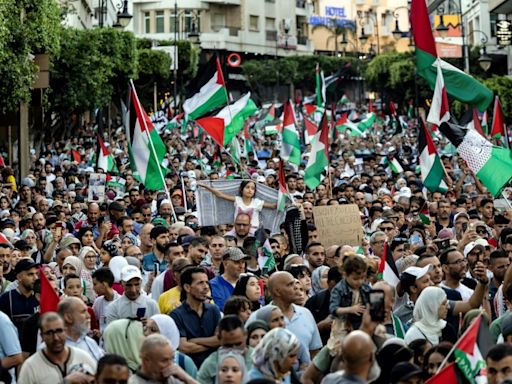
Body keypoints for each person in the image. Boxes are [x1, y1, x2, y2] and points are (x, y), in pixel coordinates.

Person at [18, 312, 97, 384]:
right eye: (49, 333)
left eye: (59, 331)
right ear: (41, 336)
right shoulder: (30, 367)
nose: (56, 338)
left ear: (65, 331)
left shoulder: (83, 357)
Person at [170, 266, 221, 367]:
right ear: (187, 287)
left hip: (214, 367)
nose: (206, 287)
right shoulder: (176, 315)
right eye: (200, 283)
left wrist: (195, 341)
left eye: (206, 282)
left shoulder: (214, 310)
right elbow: (184, 347)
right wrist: (212, 344)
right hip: (189, 369)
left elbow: (220, 340)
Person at [197, 315, 253, 384]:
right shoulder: (210, 364)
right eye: (228, 346)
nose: (233, 349)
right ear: (219, 339)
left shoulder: (258, 359)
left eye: (238, 344)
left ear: (246, 335)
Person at [199, 180, 277, 229]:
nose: (250, 190)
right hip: (238, 230)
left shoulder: (257, 202)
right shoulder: (237, 200)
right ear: (241, 189)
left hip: (253, 230)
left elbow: (273, 206)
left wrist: (285, 204)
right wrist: (206, 186)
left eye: (252, 188)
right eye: (247, 187)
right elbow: (220, 195)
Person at [128, 334, 198, 384]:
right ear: (146, 360)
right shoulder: (134, 382)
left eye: (172, 359)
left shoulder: (171, 379)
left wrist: (187, 378)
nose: (170, 365)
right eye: (164, 360)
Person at [329, 256, 371, 335]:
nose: (359, 282)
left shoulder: (365, 288)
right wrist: (350, 309)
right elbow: (333, 309)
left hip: (362, 323)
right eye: (355, 279)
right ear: (345, 274)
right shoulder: (339, 289)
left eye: (362, 278)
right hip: (343, 324)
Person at [57, 296, 104, 362]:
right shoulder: (54, 348)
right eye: (83, 312)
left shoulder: (90, 342)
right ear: (68, 317)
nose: (88, 316)